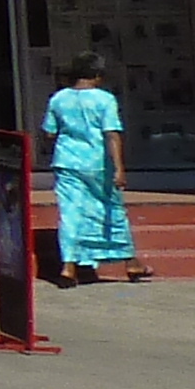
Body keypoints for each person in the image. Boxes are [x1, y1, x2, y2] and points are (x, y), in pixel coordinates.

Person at [41, 54, 142, 287]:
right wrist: (119, 168)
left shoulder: (59, 99)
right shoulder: (104, 100)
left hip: (67, 163)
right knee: (112, 211)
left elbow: (48, 132)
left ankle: (68, 266)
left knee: (71, 213)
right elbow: (111, 134)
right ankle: (130, 262)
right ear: (97, 76)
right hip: (98, 164)